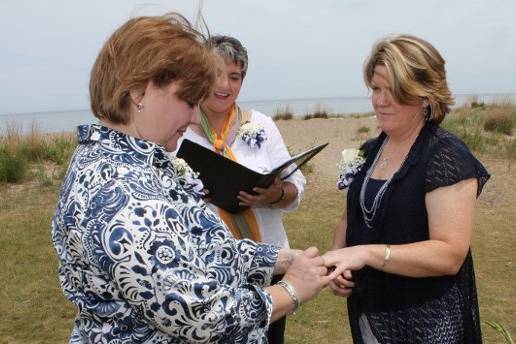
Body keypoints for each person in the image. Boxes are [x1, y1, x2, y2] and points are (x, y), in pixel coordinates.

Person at [51, 13, 330, 343]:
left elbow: (198, 247)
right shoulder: (125, 195)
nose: (195, 114)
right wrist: (292, 289)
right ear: (140, 91)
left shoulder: (132, 161)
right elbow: (202, 315)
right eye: (187, 100)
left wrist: (281, 258)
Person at [323, 35, 490, 344]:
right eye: (376, 88)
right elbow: (352, 216)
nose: (380, 101)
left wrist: (368, 253)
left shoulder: (444, 155)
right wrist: (338, 260)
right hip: (371, 314)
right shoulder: (371, 150)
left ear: (425, 96)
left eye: (394, 91)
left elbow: (450, 254)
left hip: (427, 320)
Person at [178, 35, 306, 344]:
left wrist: (274, 195)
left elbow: (296, 184)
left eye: (234, 77)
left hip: (270, 263)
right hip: (205, 267)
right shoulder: (178, 127)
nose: (224, 85)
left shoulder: (261, 123)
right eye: (215, 74)